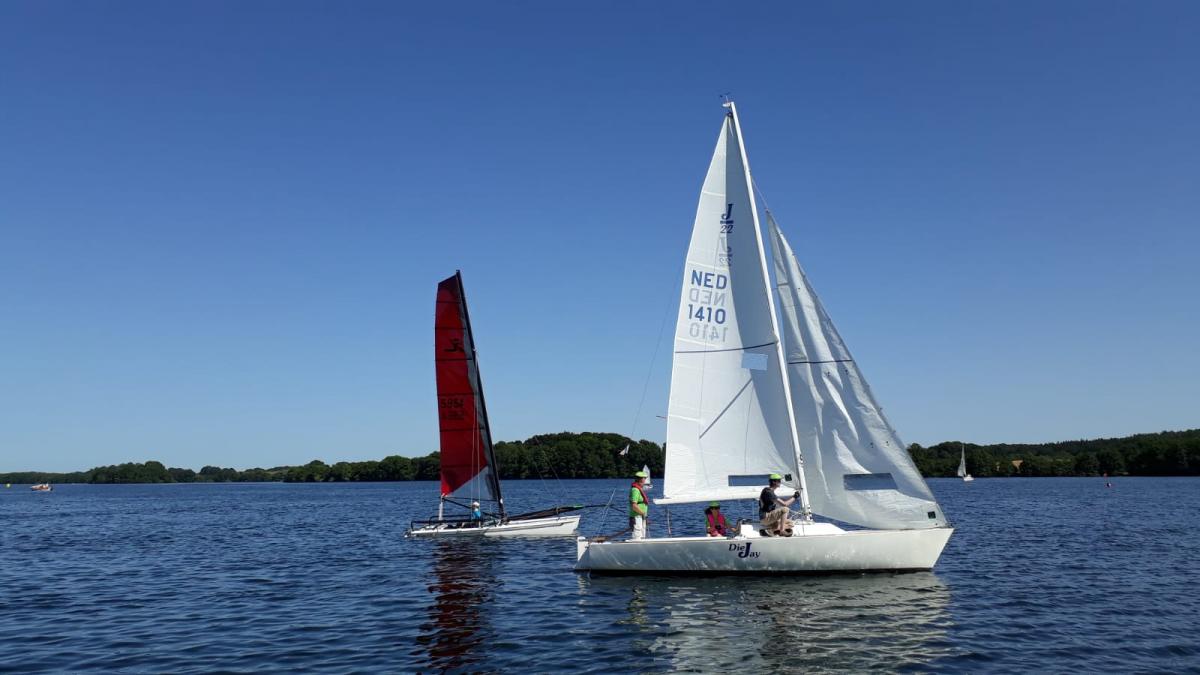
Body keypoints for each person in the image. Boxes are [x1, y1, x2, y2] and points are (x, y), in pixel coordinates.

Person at [629, 470, 650, 540]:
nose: (645, 480)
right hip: (636, 516)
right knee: (637, 536)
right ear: (641, 479)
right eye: (644, 478)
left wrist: (644, 515)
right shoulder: (635, 490)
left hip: (641, 516)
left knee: (642, 536)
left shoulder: (639, 489)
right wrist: (642, 513)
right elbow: (634, 506)